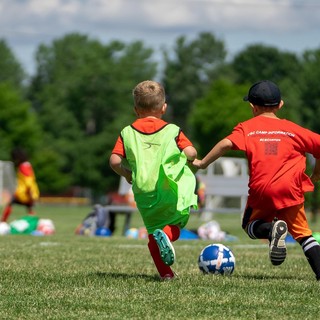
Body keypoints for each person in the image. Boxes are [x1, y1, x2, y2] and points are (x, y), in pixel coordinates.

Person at [193, 80, 320, 281]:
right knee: (305, 236)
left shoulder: (248, 128)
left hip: (262, 189)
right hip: (290, 190)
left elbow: (225, 144)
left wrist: (203, 163)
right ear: (280, 105)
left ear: (252, 107)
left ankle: (271, 231)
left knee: (249, 225)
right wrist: (317, 173)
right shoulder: (292, 129)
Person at [109, 80, 198, 280]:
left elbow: (114, 161)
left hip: (143, 192)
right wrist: (191, 158)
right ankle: (167, 235)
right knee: (177, 222)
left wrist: (126, 174)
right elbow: (191, 152)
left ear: (135, 109)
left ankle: (166, 274)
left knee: (152, 233)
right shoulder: (173, 130)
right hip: (168, 188)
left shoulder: (127, 132)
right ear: (163, 108)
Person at [1, 147, 40, 222]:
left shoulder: (23, 166)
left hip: (24, 193)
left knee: (10, 203)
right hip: (32, 192)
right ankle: (34, 222)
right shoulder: (28, 165)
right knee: (29, 207)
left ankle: (3, 221)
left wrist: (29, 192)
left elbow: (28, 180)